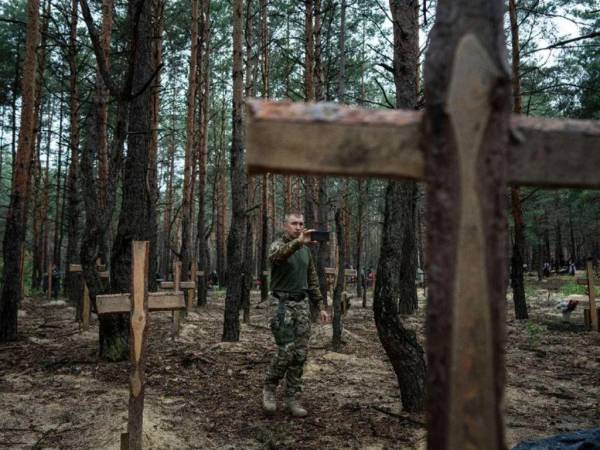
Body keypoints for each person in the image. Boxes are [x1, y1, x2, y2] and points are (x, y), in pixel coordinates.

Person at [262, 212, 329, 418]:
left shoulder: (306, 252)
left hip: (302, 305)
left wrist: (320, 305)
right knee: (286, 350)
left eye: (301, 223)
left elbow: (313, 280)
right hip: (281, 304)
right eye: (294, 223)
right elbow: (277, 256)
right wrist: (298, 242)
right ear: (285, 226)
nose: (299, 227)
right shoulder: (277, 245)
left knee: (300, 354)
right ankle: (270, 388)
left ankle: (292, 397)